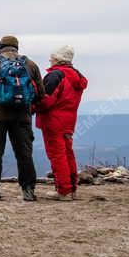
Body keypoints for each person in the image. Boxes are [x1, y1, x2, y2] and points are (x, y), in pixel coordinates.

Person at [0, 35, 45, 201]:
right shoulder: (30, 65)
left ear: (0, 47)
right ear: (17, 48)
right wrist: (25, 104)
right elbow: (40, 93)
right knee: (24, 153)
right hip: (22, 116)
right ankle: (28, 190)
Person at [36, 45, 88, 201]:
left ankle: (63, 191)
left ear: (58, 59)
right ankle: (72, 189)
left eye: (52, 57)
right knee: (67, 154)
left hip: (53, 121)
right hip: (68, 121)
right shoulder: (75, 76)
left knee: (57, 155)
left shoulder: (55, 76)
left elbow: (46, 101)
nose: (50, 60)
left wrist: (32, 105)